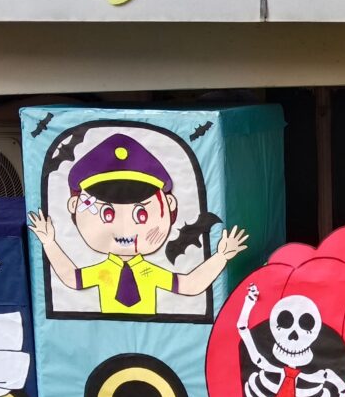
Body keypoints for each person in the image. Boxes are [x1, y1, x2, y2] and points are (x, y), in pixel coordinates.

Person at [28, 133, 247, 316]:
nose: (125, 228)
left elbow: (190, 285)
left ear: (170, 204)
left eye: (141, 214)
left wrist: (221, 257)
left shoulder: (149, 272)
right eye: (107, 213)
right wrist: (49, 243)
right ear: (74, 205)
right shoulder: (103, 271)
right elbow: (72, 278)